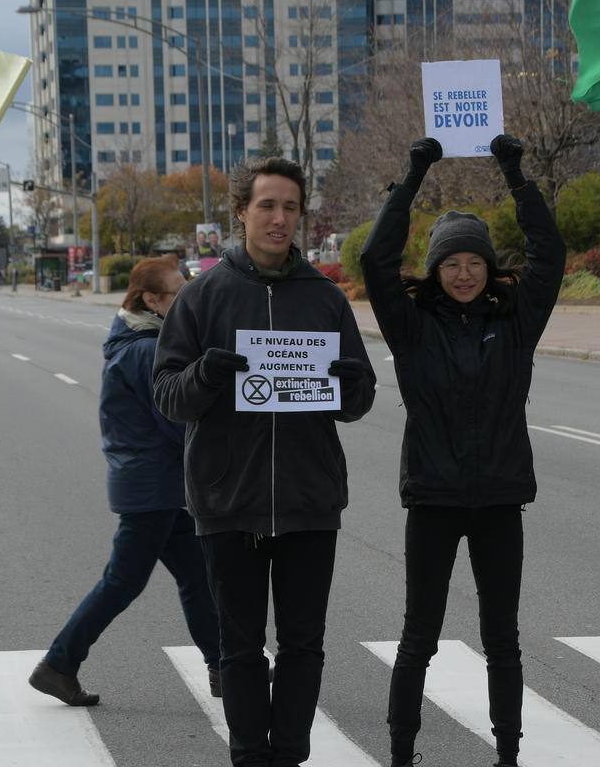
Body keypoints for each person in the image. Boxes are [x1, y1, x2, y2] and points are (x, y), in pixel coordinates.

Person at [153, 156, 376, 767]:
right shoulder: (202, 296)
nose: (280, 219)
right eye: (267, 206)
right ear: (242, 212)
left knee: (304, 645)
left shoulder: (325, 299)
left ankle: (290, 755)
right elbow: (168, 395)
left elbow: (358, 399)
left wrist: (351, 384)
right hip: (229, 501)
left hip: (309, 500)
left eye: (290, 207)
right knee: (241, 648)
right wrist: (204, 376)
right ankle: (250, 756)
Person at [360, 135, 565, 767]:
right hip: (434, 499)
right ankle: (401, 754)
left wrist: (515, 172)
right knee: (418, 636)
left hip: (500, 499)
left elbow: (550, 253)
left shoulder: (516, 322)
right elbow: (375, 258)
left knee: (502, 639)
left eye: (474, 261)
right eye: (451, 263)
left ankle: (508, 754)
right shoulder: (412, 325)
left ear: (489, 266)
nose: (465, 273)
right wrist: (414, 172)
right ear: (435, 269)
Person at [28, 255, 222, 706]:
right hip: (152, 486)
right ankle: (59, 663)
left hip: (160, 485)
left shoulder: (140, 340)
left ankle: (223, 667)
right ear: (152, 300)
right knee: (124, 582)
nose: (188, 296)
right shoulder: (145, 350)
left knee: (197, 576)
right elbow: (176, 420)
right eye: (179, 291)